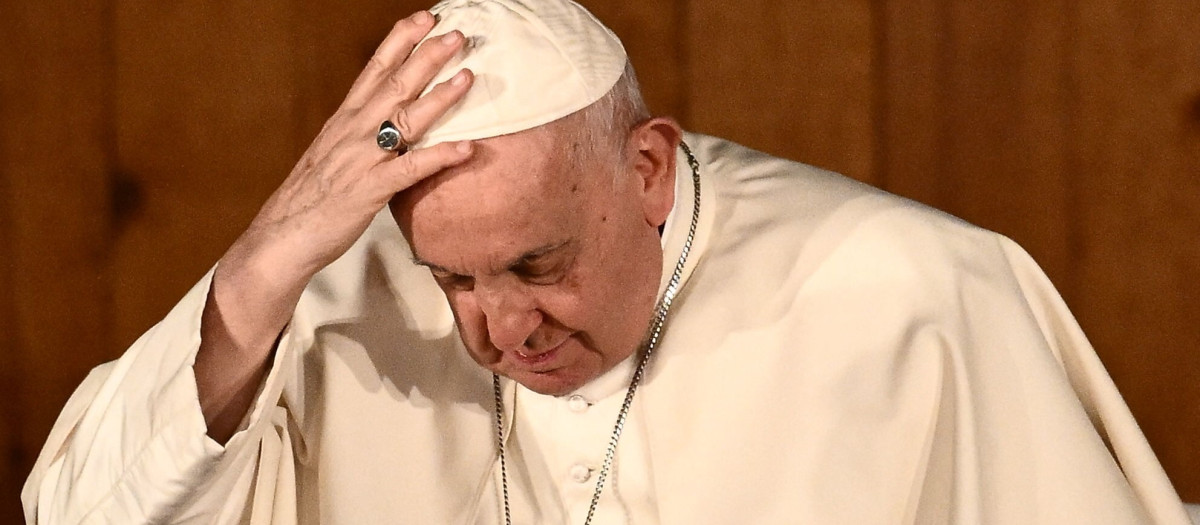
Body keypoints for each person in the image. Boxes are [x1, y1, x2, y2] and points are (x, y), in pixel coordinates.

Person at [21, 0, 1193, 523]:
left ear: (644, 169)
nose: (499, 329)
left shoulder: (910, 294)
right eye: (454, 282)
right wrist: (256, 272)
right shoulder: (324, 302)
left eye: (537, 262)